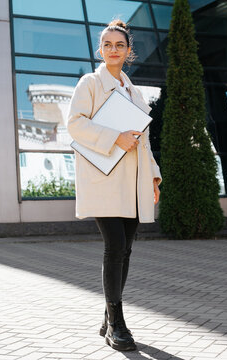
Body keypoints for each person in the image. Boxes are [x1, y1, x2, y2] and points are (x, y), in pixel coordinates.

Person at [67, 19, 161, 352]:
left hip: (133, 181)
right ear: (100, 49)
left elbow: (144, 141)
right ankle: (117, 325)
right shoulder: (90, 83)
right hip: (104, 179)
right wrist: (114, 138)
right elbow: (75, 124)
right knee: (115, 246)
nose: (113, 49)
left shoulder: (133, 91)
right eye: (107, 44)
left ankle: (108, 316)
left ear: (128, 51)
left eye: (119, 45)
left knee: (126, 249)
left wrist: (153, 175)